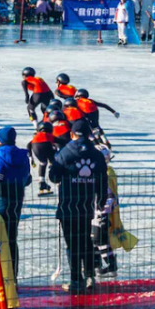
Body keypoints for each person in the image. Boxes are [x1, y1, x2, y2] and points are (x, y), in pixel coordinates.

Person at [49, 120, 108, 293]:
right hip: (86, 206)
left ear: (72, 134)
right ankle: (90, 276)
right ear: (89, 134)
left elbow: (53, 177)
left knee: (72, 244)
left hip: (68, 206)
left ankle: (76, 280)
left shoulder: (65, 152)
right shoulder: (96, 154)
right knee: (86, 241)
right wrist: (101, 200)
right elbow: (102, 179)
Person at [0, 126, 31, 276]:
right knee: (11, 238)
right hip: (17, 200)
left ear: (0, 139)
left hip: (1, 200)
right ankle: (12, 274)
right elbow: (27, 179)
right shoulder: (23, 156)